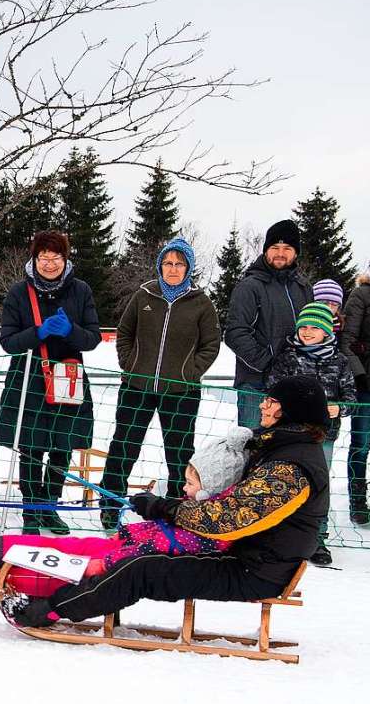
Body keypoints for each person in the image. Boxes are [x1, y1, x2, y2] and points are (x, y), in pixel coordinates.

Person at [3, 375, 330, 629]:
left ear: (289, 411)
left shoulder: (291, 467)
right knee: (125, 545)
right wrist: (167, 507)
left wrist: (164, 507)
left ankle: (48, 610)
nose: (263, 406)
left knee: (142, 568)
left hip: (255, 569)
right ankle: (7, 565)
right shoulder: (280, 450)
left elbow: (228, 518)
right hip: (239, 553)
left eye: (271, 402)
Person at [0, 427, 252, 595]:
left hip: (124, 559)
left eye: (190, 483)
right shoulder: (204, 507)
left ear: (211, 486)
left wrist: (116, 554)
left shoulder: (215, 522)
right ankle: (0, 555)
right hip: (126, 545)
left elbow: (167, 548)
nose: (184, 489)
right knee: (69, 545)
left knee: (65, 568)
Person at [98, 238, 220, 529]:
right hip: (137, 386)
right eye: (168, 263)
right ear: (160, 265)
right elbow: (125, 332)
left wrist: (190, 372)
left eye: (179, 264)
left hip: (181, 391)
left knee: (179, 451)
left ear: (188, 267)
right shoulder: (144, 296)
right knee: (124, 446)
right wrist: (130, 364)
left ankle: (177, 506)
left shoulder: (201, 302)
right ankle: (110, 503)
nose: (173, 268)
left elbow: (211, 344)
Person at [0, 230, 102, 535]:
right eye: (44, 257)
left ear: (65, 259)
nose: (50, 263)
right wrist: (38, 332)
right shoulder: (19, 292)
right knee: (31, 447)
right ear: (35, 257)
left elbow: (92, 338)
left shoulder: (80, 291)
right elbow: (8, 341)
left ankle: (49, 506)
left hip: (67, 377)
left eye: (56, 257)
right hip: (29, 378)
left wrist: (70, 330)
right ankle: (31, 509)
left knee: (61, 446)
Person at [266, 301, 356, 566]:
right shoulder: (288, 357)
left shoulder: (339, 361)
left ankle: (318, 538)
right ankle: (278, 532)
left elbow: (351, 396)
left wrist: (340, 408)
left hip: (323, 437)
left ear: (326, 331)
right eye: (303, 326)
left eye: (314, 328)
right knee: (284, 481)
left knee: (318, 486)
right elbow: (273, 387)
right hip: (289, 435)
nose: (307, 332)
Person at [225, 219, 313, 428]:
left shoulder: (304, 288)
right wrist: (270, 364)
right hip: (257, 385)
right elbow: (235, 333)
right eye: (275, 247)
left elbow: (311, 332)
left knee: (289, 451)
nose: (280, 253)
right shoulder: (250, 286)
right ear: (266, 250)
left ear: (296, 253)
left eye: (287, 248)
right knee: (256, 448)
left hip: (295, 386)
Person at [341, 273, 370, 526]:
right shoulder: (362, 295)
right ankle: (358, 500)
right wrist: (360, 375)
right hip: (367, 384)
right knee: (361, 444)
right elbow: (347, 341)